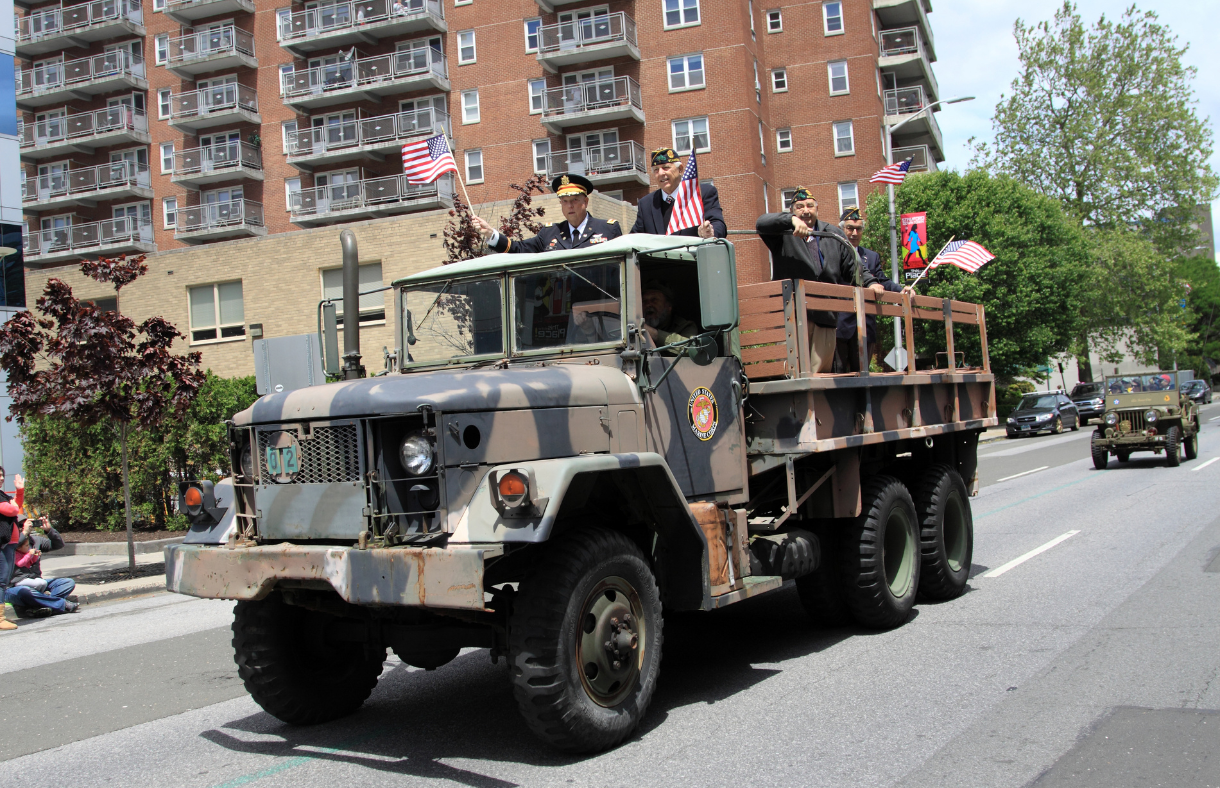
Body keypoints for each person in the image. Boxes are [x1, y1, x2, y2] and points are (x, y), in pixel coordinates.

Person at [756, 188, 884, 373]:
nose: (805, 211)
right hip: (793, 317)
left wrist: (871, 282)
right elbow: (761, 223)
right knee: (791, 373)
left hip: (825, 317)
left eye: (810, 206)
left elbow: (852, 266)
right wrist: (790, 221)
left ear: (817, 208)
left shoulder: (832, 233)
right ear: (793, 210)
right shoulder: (782, 232)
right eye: (799, 207)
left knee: (820, 375)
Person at [473, 174, 622, 253]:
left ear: (586, 202)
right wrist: (490, 234)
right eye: (564, 201)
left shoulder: (608, 229)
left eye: (575, 200)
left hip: (601, 304)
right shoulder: (550, 233)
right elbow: (518, 248)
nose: (570, 205)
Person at [836, 207, 903, 372]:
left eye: (858, 229)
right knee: (838, 375)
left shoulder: (871, 257)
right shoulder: (834, 254)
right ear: (842, 229)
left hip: (866, 326)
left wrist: (901, 290)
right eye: (850, 228)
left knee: (863, 377)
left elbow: (881, 280)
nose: (854, 233)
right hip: (840, 325)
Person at [629, 149, 726, 238]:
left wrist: (710, 233)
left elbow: (719, 225)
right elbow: (635, 237)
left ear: (680, 169)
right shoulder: (646, 204)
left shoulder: (702, 193)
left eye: (665, 167)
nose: (661, 173)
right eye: (656, 170)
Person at [6, 517, 77, 618]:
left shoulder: (35, 541)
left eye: (26, 525)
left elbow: (58, 545)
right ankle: (61, 604)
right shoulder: (7, 543)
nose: (24, 528)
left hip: (37, 583)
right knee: (26, 592)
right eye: (21, 526)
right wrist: (24, 533)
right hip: (14, 588)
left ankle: (42, 607)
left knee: (68, 583)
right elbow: (12, 547)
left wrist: (49, 530)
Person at [0, 467, 24, 631]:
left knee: (4, 580)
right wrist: (16, 498)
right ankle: (0, 618)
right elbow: (12, 509)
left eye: (2, 475)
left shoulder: (3, 496)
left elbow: (17, 506)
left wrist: (19, 492)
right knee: (1, 579)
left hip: (9, 543)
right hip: (2, 544)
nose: (1, 478)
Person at [641, 281, 697, 352]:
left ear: (668, 306)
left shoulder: (685, 327)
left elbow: (693, 349)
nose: (648, 305)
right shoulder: (635, 328)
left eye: (654, 300)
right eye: (644, 301)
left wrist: (654, 334)